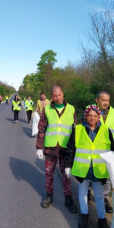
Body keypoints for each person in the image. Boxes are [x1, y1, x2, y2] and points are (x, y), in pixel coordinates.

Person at [64, 105, 114, 228]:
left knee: (99, 195)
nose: (92, 118)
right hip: (83, 169)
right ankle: (84, 215)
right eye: (90, 115)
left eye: (95, 116)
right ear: (86, 116)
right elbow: (71, 149)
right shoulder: (78, 129)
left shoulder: (106, 130)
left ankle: (102, 220)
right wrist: (67, 165)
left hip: (99, 169)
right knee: (83, 193)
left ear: (99, 117)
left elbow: (113, 150)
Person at [36, 85, 77, 213]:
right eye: (55, 95)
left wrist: (76, 148)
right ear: (51, 97)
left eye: (59, 95)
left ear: (63, 94)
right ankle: (49, 195)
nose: (57, 98)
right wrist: (39, 147)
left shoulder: (71, 109)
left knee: (67, 174)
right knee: (49, 173)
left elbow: (76, 129)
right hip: (51, 147)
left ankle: (68, 198)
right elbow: (41, 128)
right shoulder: (47, 109)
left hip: (66, 148)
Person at [95, 91, 114, 213]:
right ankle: (89, 193)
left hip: (108, 150)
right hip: (93, 149)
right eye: (103, 100)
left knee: (107, 175)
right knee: (92, 172)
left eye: (108, 100)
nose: (106, 102)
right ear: (97, 100)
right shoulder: (90, 111)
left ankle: (105, 199)